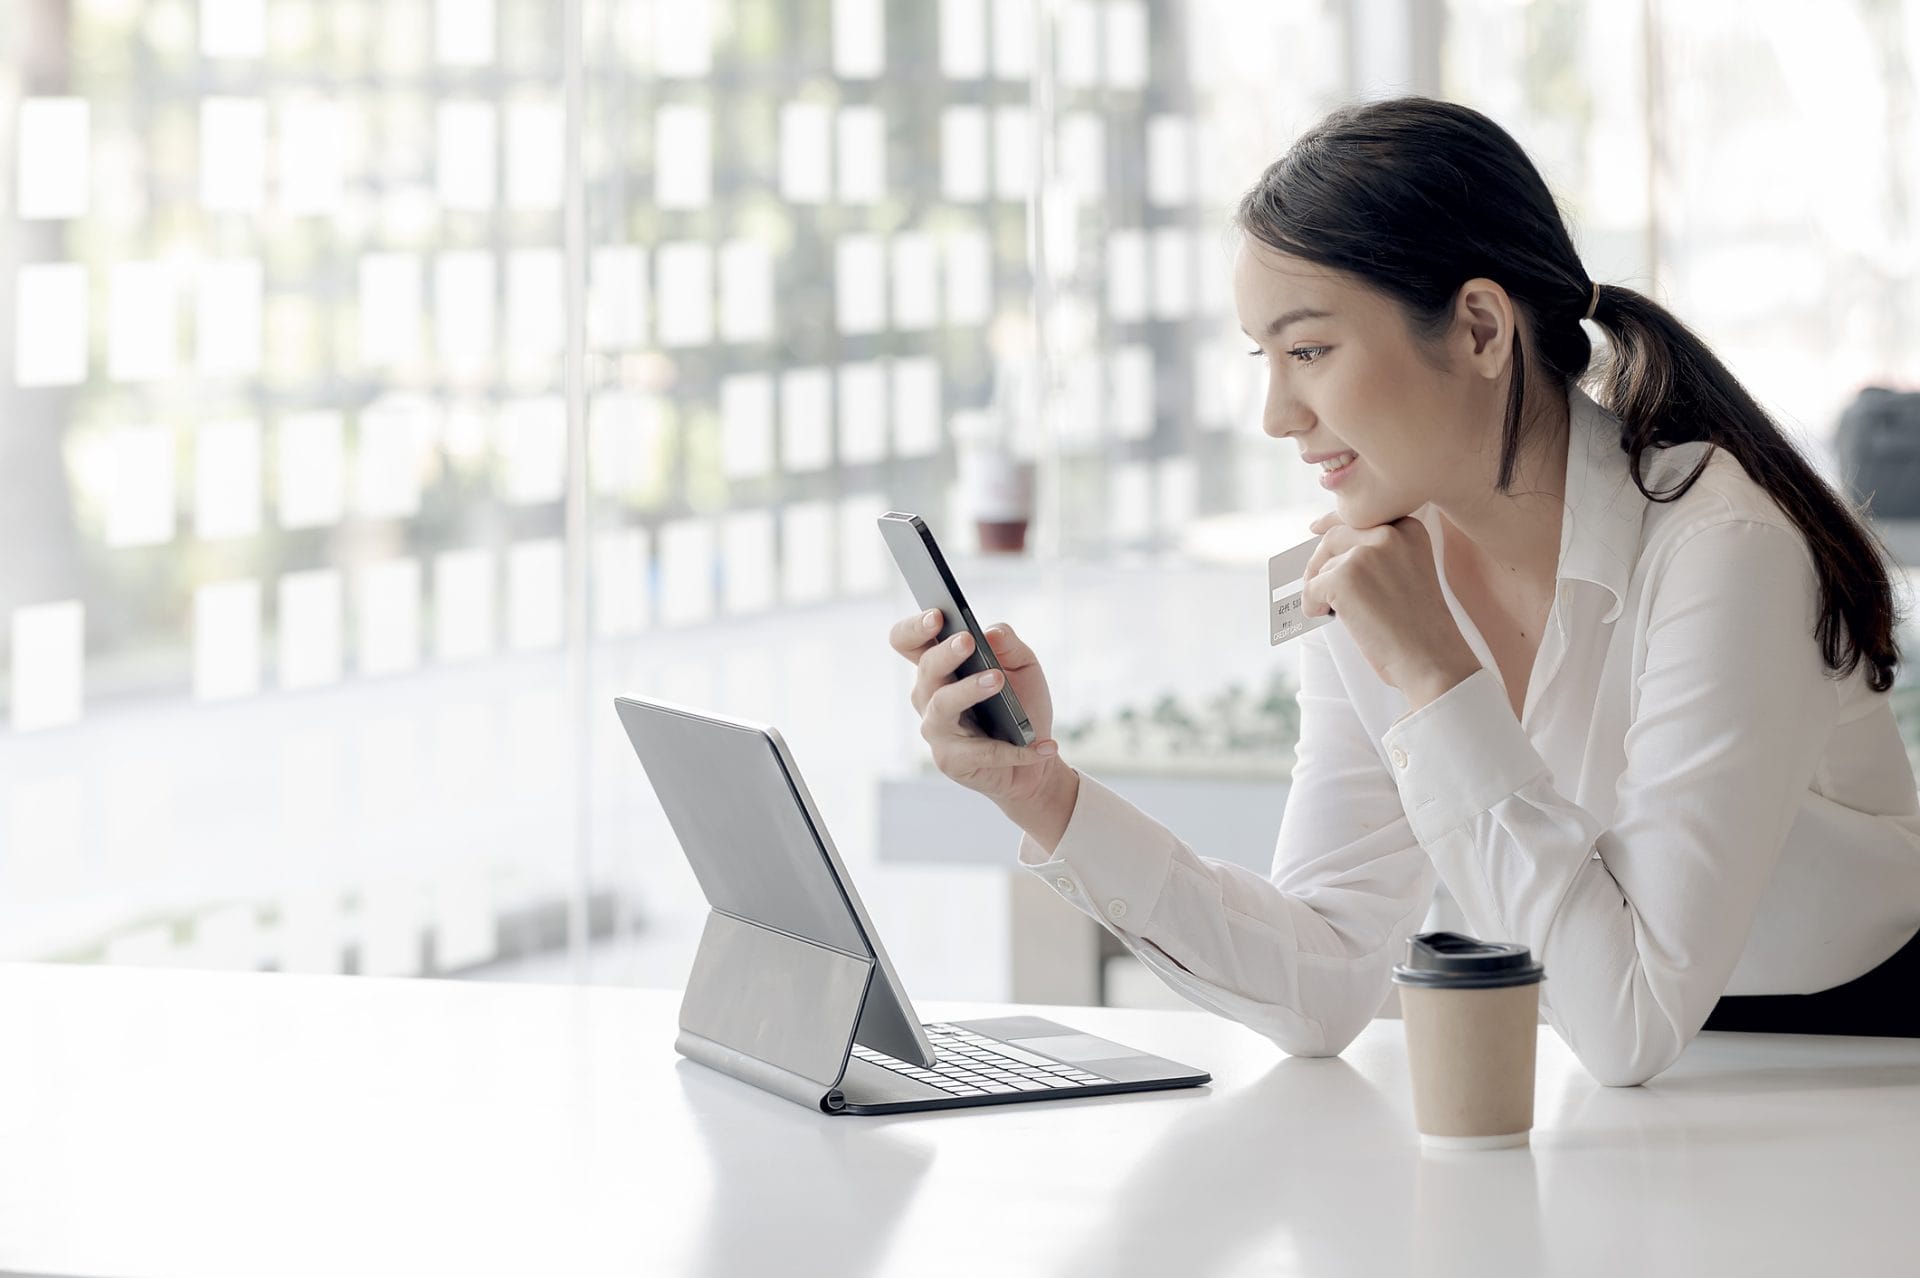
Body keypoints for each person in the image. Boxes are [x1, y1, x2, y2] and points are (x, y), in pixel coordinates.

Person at [887, 97, 1920, 1087]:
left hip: (1862, 1068)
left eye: (1310, 351)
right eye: (1265, 359)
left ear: (1480, 329)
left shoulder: (1721, 544)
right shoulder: (1373, 569)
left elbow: (1632, 1020)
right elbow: (1327, 971)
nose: (1276, 414)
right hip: (1618, 1094)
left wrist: (1436, 669)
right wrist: (1052, 801)